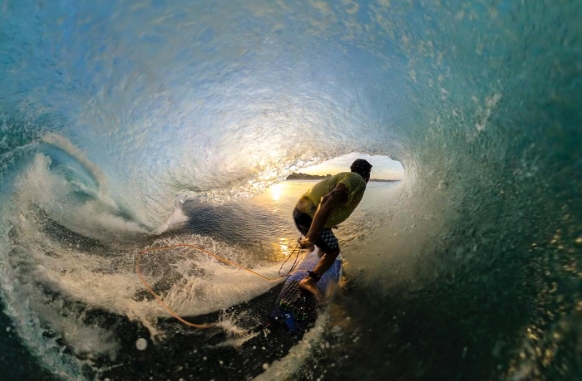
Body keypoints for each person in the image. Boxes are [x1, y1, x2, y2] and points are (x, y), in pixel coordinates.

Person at [292, 158, 372, 297]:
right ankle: (309, 281)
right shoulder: (357, 179)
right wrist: (311, 237)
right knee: (334, 251)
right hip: (309, 217)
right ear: (368, 175)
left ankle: (316, 250)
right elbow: (329, 199)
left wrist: (329, 222)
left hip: (301, 212)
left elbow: (330, 201)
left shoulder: (345, 176)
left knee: (324, 240)